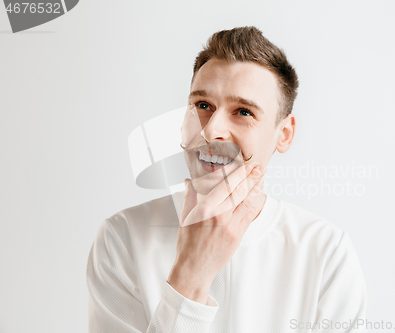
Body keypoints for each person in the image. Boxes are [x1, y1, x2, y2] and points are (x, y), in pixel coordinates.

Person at [86, 26, 367, 333]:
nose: (210, 131)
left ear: (283, 134)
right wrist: (190, 277)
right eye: (203, 106)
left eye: (243, 112)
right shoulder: (123, 238)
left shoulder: (325, 252)